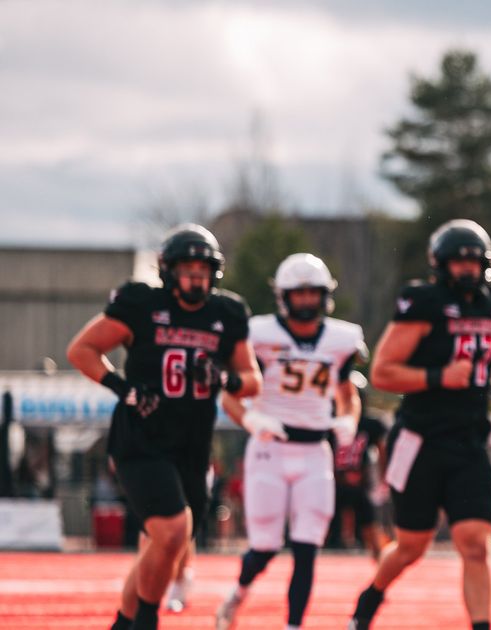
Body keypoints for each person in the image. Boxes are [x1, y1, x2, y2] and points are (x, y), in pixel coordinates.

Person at [67, 224, 261, 630]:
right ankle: (146, 622)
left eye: (203, 270)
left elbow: (252, 379)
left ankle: (124, 622)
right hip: (142, 436)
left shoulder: (225, 314)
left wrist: (224, 380)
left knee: (162, 544)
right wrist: (124, 388)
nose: (196, 278)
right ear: (168, 271)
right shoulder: (141, 305)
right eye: (188, 269)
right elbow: (82, 350)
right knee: (172, 532)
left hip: (192, 443)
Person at [349, 220, 491, 630]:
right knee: (411, 547)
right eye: (458, 262)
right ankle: (370, 597)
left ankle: (481, 625)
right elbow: (384, 372)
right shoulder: (423, 302)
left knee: (476, 545)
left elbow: (488, 360)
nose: (466, 269)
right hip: (420, 440)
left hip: (469, 442)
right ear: (441, 265)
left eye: (473, 262)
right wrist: (439, 376)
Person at [216, 253, 365, 630]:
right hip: (270, 446)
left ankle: (294, 625)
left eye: (311, 293)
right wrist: (250, 418)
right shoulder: (259, 335)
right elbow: (228, 392)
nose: (305, 301)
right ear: (284, 296)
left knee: (307, 545)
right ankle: (238, 593)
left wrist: (348, 419)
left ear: (324, 295)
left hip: (315, 450)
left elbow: (348, 393)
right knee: (265, 547)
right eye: (298, 294)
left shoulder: (339, 338)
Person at [329, 372, 391, 561]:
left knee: (371, 526)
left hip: (359, 482)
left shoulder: (371, 425)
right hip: (333, 482)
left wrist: (384, 478)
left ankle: (379, 564)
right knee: (318, 528)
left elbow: (382, 450)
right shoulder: (329, 422)